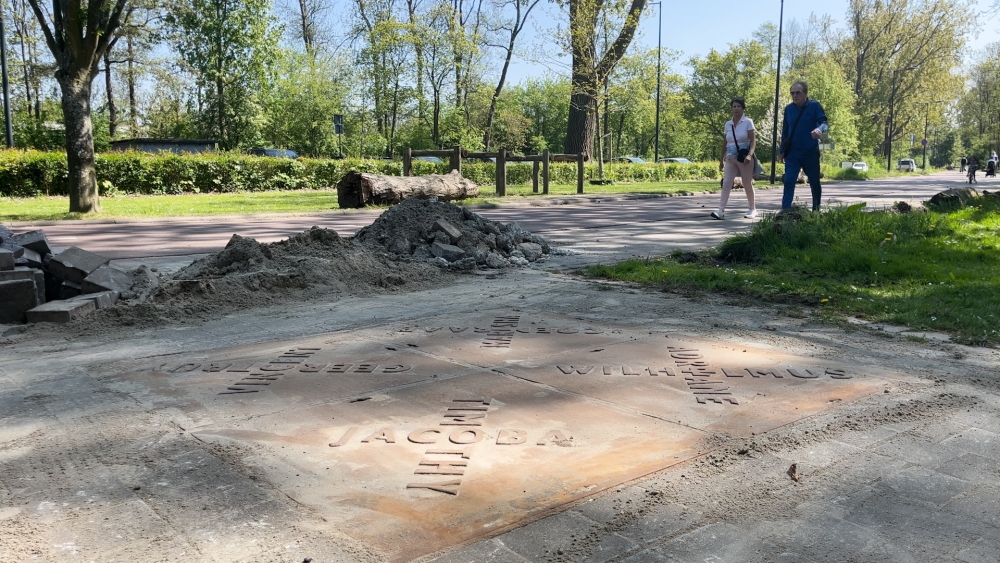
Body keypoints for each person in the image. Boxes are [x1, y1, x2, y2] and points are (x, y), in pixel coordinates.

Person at [779, 80, 828, 211]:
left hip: (810, 152)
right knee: (789, 181)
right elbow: (785, 131)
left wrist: (819, 130)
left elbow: (824, 123)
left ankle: (816, 211)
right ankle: (785, 212)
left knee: (814, 182)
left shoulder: (814, 106)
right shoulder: (789, 109)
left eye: (798, 93)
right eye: (792, 93)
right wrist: (782, 151)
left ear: (805, 93)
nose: (795, 95)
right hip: (793, 153)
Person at [712, 97, 757, 219]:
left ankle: (752, 209)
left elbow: (753, 141)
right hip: (730, 157)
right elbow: (725, 143)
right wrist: (721, 160)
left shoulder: (748, 122)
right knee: (726, 183)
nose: (736, 109)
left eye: (738, 106)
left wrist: (750, 155)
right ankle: (720, 210)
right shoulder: (728, 124)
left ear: (743, 108)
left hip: (744, 157)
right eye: (734, 106)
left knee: (747, 183)